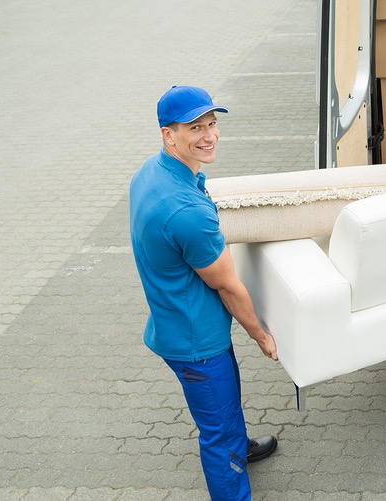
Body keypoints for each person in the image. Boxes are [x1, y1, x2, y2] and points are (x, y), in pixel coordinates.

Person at [129, 85, 279, 499]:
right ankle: (232, 471)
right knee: (218, 433)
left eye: (212, 123)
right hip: (197, 343)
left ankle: (240, 444)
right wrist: (260, 335)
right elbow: (227, 286)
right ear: (169, 134)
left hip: (179, 321)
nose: (209, 135)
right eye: (195, 127)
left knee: (226, 401)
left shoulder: (152, 171)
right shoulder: (186, 211)